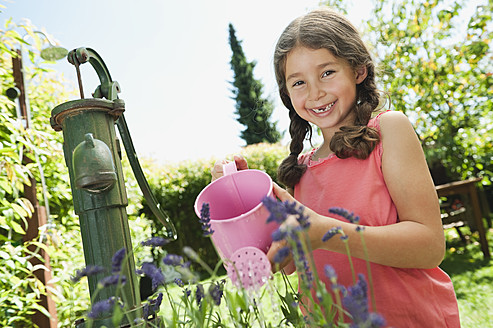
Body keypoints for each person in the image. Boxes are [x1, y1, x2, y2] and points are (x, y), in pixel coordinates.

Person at [212, 8, 460, 327]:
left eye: (327, 72)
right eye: (298, 82)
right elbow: (269, 266)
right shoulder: (300, 172)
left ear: (358, 70)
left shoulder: (389, 130)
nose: (315, 92)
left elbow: (429, 246)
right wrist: (232, 197)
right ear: (287, 95)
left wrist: (326, 234)